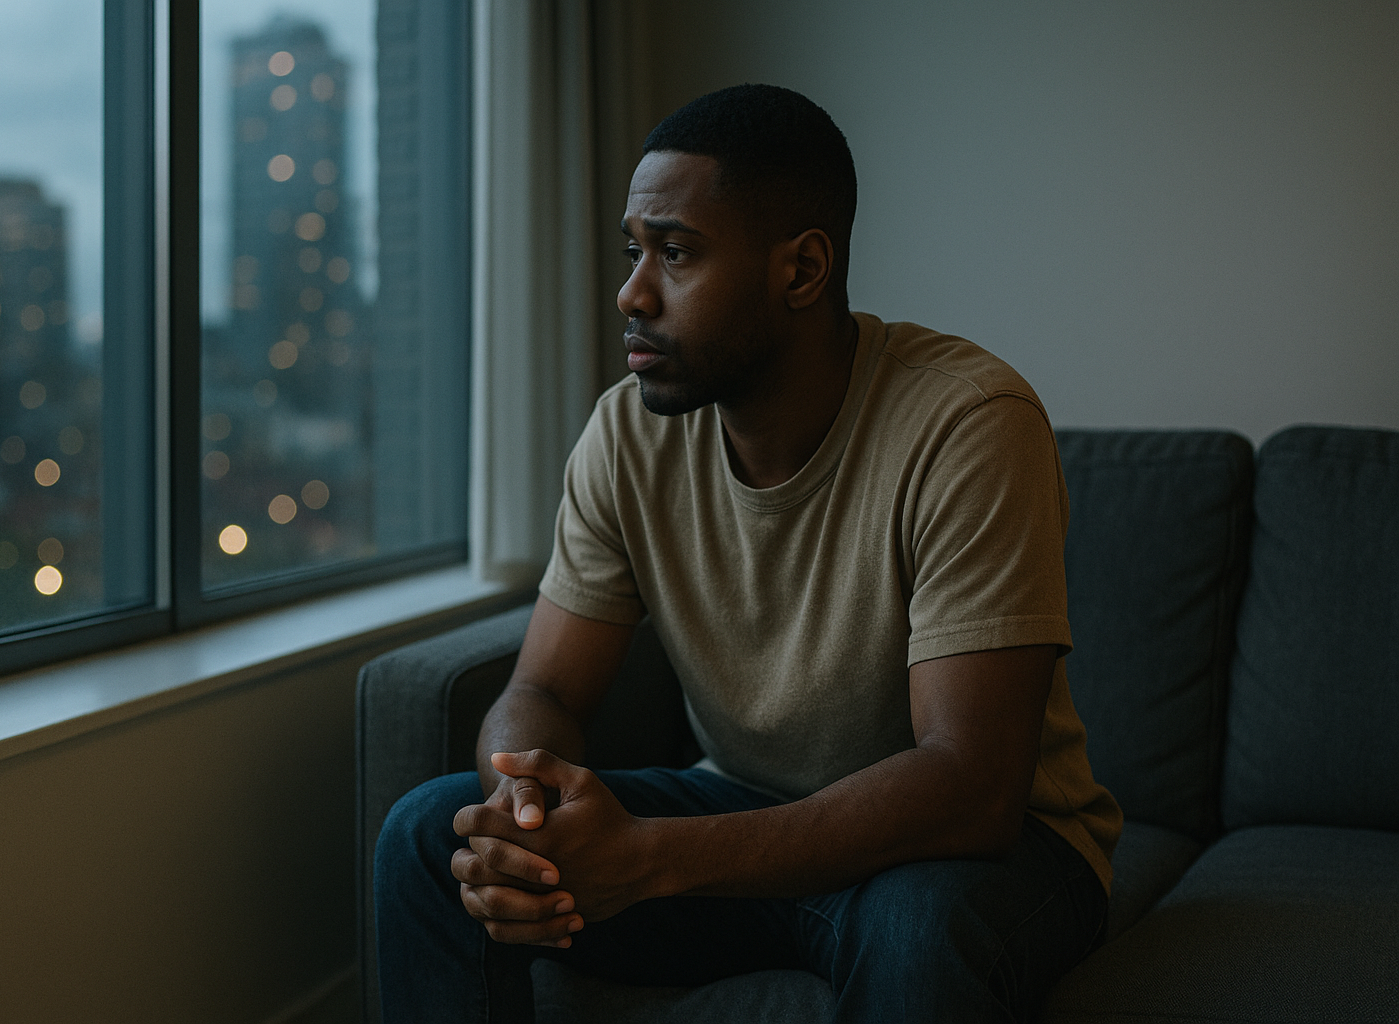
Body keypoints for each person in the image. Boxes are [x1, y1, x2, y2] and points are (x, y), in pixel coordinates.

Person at [374, 83, 1122, 1023]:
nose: (631, 292)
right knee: (423, 838)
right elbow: (547, 693)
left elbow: (968, 787)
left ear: (801, 270)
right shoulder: (626, 436)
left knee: (914, 931)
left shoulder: (968, 426)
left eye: (675, 253)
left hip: (977, 854)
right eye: (633, 251)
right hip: (735, 811)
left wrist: (649, 859)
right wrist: (530, 822)